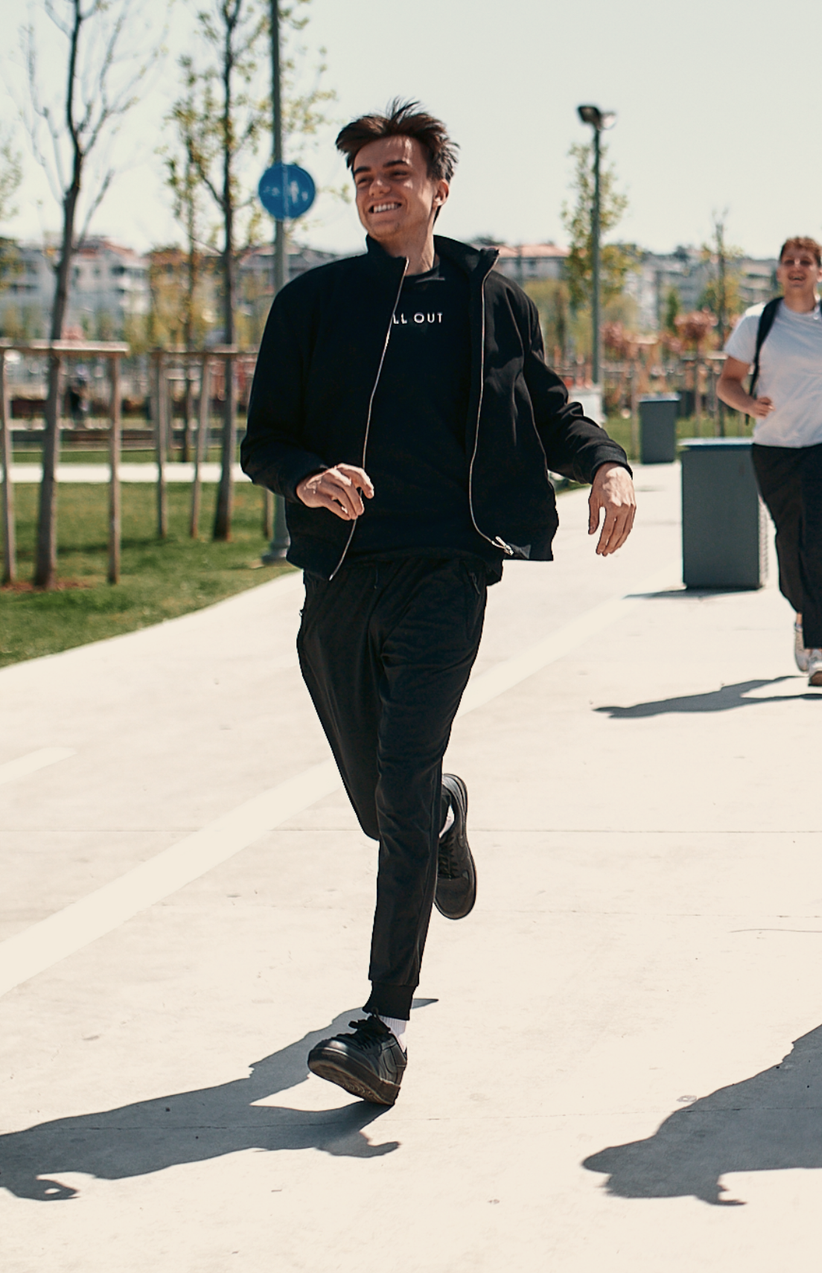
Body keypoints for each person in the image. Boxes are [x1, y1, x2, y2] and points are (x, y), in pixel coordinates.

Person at [242, 101, 636, 1105]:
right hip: (339, 577)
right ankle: (443, 813)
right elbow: (263, 439)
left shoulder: (488, 299)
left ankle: (384, 1024)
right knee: (386, 805)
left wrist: (607, 462)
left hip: (448, 576)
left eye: (397, 173)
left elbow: (548, 409)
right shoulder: (314, 302)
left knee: (402, 784)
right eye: (365, 177)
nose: (379, 190)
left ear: (438, 187)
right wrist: (306, 477)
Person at [718, 237, 822, 685]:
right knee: (789, 541)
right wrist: (748, 405)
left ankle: (817, 650)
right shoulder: (758, 322)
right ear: (779, 271)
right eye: (789, 261)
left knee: (815, 542)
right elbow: (727, 382)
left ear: (820, 272)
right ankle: (804, 615)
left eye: (806, 261)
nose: (797, 267)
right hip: (773, 449)